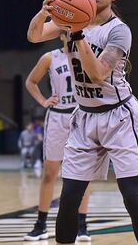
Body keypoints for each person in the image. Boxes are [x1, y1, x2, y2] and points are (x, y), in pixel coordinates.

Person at [26, 0, 138, 245]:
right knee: (69, 197)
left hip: (119, 116)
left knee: (132, 196)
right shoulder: (69, 22)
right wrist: (44, 12)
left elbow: (97, 73)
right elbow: (34, 36)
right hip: (84, 116)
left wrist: (77, 35)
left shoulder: (119, 31)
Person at [22, 39, 92, 241]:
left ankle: (82, 226)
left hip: (81, 116)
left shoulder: (86, 54)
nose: (71, 35)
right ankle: (41, 225)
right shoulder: (50, 57)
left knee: (83, 173)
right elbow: (30, 81)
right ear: (61, 36)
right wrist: (43, 100)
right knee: (50, 172)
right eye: (67, 32)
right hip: (57, 116)